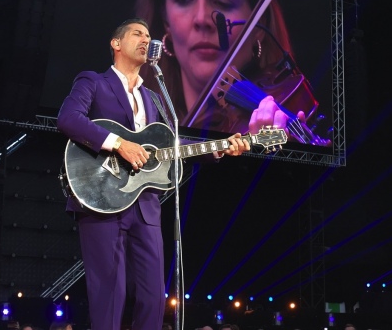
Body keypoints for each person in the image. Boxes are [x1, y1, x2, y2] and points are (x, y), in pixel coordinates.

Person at [56, 18, 282, 330]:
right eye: (137, 33)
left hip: (144, 204)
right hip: (101, 197)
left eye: (148, 35)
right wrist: (120, 144)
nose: (145, 39)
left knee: (153, 297)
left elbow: (172, 145)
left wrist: (220, 146)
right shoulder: (93, 82)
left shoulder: (155, 97)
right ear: (116, 44)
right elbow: (68, 118)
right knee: (111, 293)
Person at [135, 0, 321, 141]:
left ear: (258, 24)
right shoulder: (134, 127)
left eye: (223, 2)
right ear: (166, 22)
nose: (201, 19)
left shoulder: (276, 109)